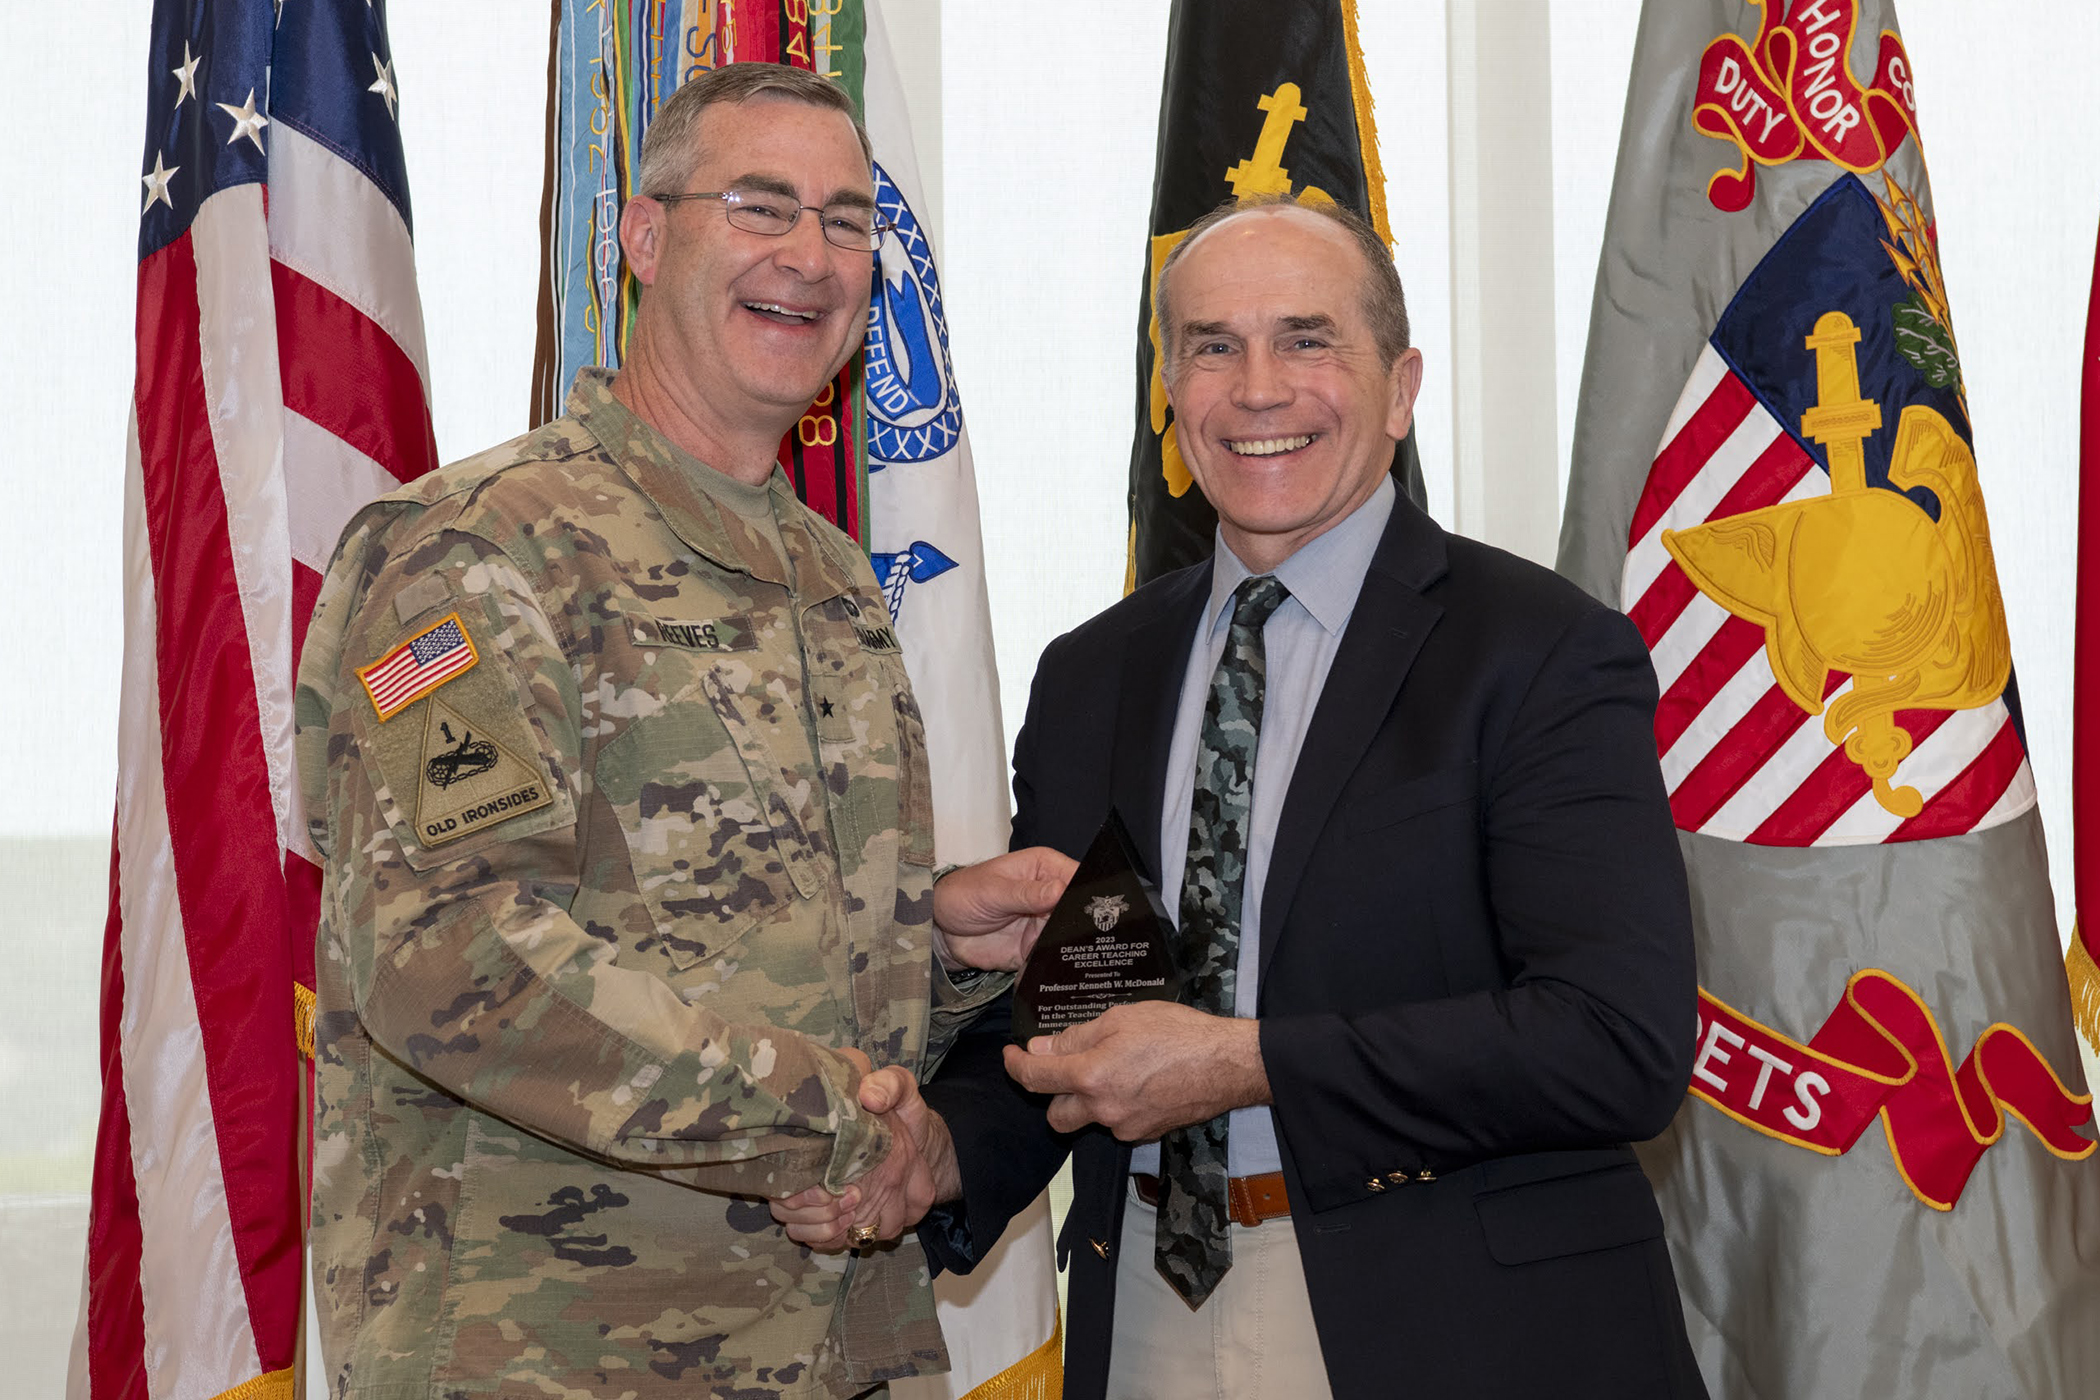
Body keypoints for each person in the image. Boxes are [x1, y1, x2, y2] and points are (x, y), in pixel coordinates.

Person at [293, 62, 1069, 1400]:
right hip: (549, 1357)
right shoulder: (478, 557)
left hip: (834, 1351)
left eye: (843, 220)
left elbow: (748, 943)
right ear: (645, 238)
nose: (809, 256)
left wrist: (935, 940)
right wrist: (835, 1128)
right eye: (760, 206)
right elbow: (456, 958)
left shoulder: (832, 586)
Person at [909, 196, 1707, 1399]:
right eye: (1213, 345)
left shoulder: (1539, 651)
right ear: (1171, 396)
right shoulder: (1090, 674)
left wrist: (1252, 1061)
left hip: (1455, 1322)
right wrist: (934, 1153)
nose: (1260, 387)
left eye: (1307, 338)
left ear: (1399, 387)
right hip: (1143, 1320)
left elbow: (1615, 1041)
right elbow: (1070, 1022)